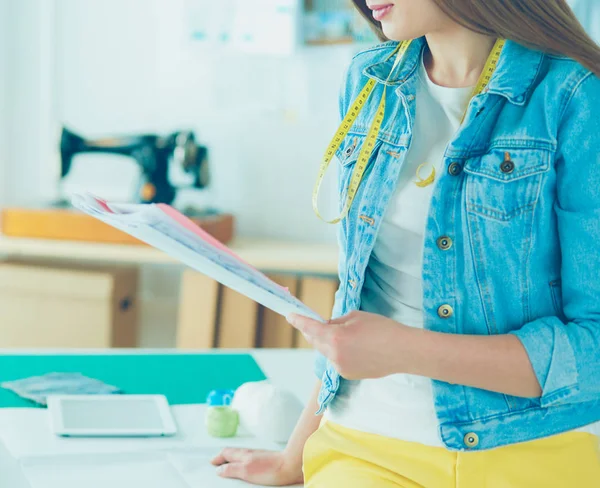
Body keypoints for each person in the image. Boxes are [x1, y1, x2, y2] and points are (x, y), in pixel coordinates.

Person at [213, 1, 600, 486]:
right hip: (365, 446)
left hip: (533, 453)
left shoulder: (576, 97)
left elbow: (593, 349)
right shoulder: (371, 81)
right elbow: (358, 293)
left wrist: (407, 351)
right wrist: (296, 454)